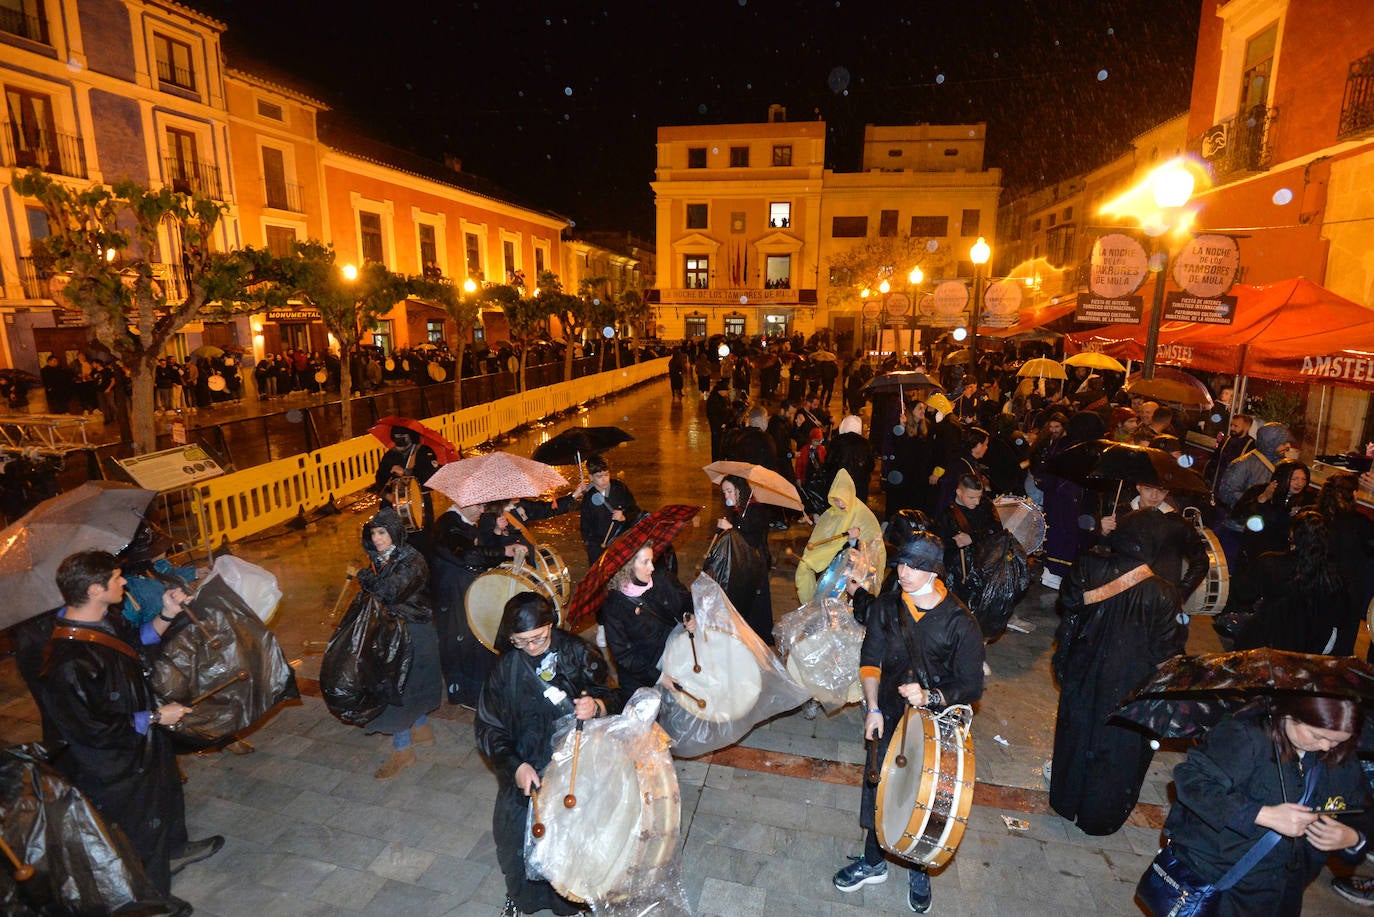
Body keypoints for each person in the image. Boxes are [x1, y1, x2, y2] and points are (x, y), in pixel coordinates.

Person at [35, 550, 223, 897]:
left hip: (143, 743)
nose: (124, 582)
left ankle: (174, 852)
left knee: (164, 802)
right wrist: (153, 717)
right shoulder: (67, 662)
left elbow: (134, 647)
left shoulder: (108, 618)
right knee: (137, 834)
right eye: (116, 578)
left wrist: (166, 614)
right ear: (94, 589)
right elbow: (90, 729)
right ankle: (151, 900)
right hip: (115, 763)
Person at [833, 532, 984, 913]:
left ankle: (919, 868)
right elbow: (871, 659)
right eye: (901, 563)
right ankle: (873, 861)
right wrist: (872, 708)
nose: (903, 572)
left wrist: (930, 696)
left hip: (935, 725)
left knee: (927, 797)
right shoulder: (887, 607)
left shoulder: (960, 623)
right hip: (888, 713)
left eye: (914, 566)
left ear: (935, 572)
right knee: (879, 787)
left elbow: (971, 685)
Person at [475, 593, 622, 917]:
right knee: (515, 839)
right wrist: (514, 767)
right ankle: (520, 897)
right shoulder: (505, 668)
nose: (531, 647)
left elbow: (615, 696)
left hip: (573, 764)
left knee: (572, 840)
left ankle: (575, 900)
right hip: (526, 763)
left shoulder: (578, 652)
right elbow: (489, 726)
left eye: (539, 638)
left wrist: (597, 706)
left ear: (551, 625)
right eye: (521, 641)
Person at [1164, 696, 1373, 916]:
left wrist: (1353, 838)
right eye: (1318, 736)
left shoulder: (1339, 757)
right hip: (1222, 880)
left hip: (1282, 892)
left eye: (1338, 740)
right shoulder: (1247, 737)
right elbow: (1192, 782)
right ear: (1290, 715)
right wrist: (1261, 814)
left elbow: (1361, 811)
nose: (1325, 746)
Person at [1050, 511, 1187, 836]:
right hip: (1129, 685)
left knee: (1076, 734)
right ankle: (1098, 816)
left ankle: (1065, 801)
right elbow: (1168, 653)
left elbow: (1067, 602)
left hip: (1082, 671)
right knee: (1115, 751)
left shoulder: (1088, 565)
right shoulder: (1164, 593)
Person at [355, 507, 443, 779]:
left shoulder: (411, 561)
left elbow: (389, 592)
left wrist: (364, 576)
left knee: (397, 687)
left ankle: (403, 751)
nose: (378, 538)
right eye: (373, 533)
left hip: (411, 632)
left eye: (382, 532)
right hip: (402, 630)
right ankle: (423, 730)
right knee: (412, 683)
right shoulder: (386, 559)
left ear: (395, 532)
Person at [429, 501, 521, 706]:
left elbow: (480, 550)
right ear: (462, 503)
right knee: (463, 645)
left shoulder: (465, 522)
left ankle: (482, 689)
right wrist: (503, 551)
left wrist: (497, 536)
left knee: (476, 642)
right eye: (478, 506)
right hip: (453, 594)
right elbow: (468, 555)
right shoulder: (447, 525)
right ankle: (469, 695)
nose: (482, 511)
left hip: (466, 590)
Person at [1231, 511, 1347, 655]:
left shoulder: (1271, 562)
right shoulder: (1332, 575)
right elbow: (1338, 617)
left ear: (1292, 534)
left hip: (1264, 640)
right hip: (1304, 648)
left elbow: (1243, 593)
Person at [599, 543, 694, 697]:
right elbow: (624, 655)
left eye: (651, 560)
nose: (652, 567)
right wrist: (659, 677)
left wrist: (688, 615)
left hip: (676, 651)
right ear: (628, 567)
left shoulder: (662, 578)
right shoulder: (615, 605)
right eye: (645, 562)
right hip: (644, 672)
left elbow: (685, 600)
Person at [1098, 483, 1209, 607]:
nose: (1154, 496)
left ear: (1167, 492)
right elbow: (1103, 555)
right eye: (1148, 489)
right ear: (1138, 487)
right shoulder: (1118, 514)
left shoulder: (1176, 522)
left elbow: (1201, 562)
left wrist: (1180, 594)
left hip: (1158, 599)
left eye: (1161, 491)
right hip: (1120, 594)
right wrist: (1103, 533)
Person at [796, 469, 885, 605]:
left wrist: (854, 541)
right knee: (805, 567)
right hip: (834, 565)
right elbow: (822, 541)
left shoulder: (863, 516)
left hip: (855, 568)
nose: (840, 504)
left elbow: (873, 550)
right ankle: (811, 604)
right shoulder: (831, 513)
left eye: (843, 500)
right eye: (836, 500)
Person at [1313, 472, 1374, 656]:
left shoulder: (1315, 516)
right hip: (1350, 592)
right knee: (1343, 643)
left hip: (1320, 586)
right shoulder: (1361, 524)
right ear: (1354, 494)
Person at [712, 475, 775, 643]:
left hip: (755, 563)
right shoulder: (738, 510)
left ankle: (758, 636)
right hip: (743, 563)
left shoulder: (755, 509)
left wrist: (732, 528)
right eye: (724, 492)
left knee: (755, 602)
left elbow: (752, 538)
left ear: (739, 490)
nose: (727, 496)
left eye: (730, 491)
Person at [373, 425, 442, 553]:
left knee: (423, 545)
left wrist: (405, 472)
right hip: (393, 508)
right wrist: (389, 497)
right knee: (393, 545)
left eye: (402, 437)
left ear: (412, 437)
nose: (398, 440)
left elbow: (430, 478)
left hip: (418, 506)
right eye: (396, 437)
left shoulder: (423, 452)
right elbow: (379, 480)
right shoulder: (390, 455)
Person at [580, 455, 640, 564]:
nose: (604, 479)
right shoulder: (588, 498)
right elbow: (586, 528)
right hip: (599, 546)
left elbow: (634, 510)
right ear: (591, 477)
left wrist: (624, 516)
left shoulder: (620, 488)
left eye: (606, 474)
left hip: (621, 542)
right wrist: (593, 549)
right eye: (599, 476)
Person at [826, 414, 875, 504]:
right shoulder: (864, 443)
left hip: (839, 485)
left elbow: (828, 463)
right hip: (859, 486)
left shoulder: (836, 441)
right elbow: (871, 465)